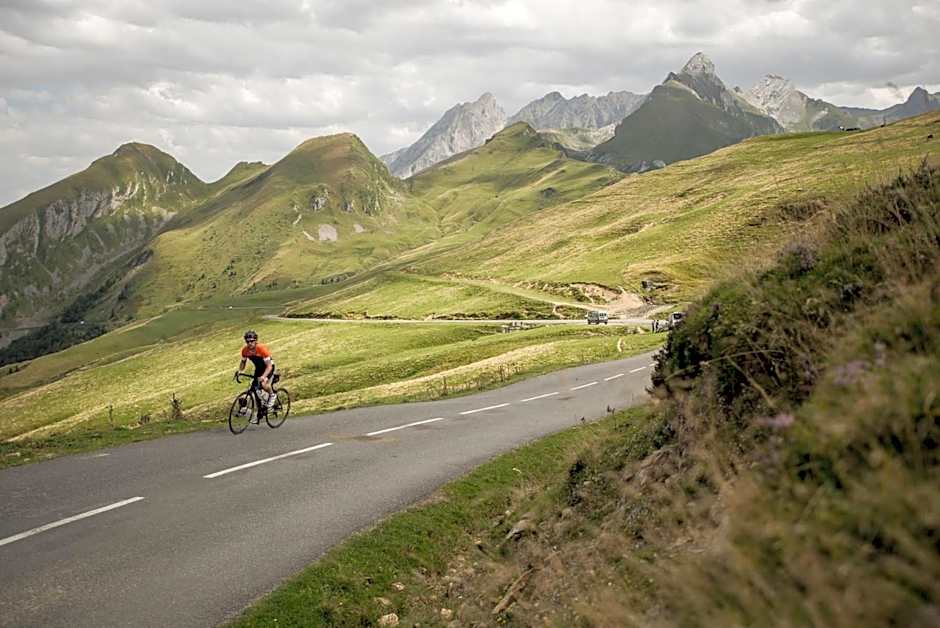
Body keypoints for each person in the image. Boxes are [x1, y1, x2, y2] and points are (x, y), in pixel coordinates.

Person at [237, 330, 277, 409]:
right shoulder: (245, 350)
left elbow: (269, 366)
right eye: (247, 341)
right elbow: (243, 362)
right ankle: (261, 408)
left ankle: (272, 395)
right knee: (254, 388)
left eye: (251, 341)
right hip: (258, 369)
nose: (249, 343)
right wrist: (240, 371)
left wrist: (264, 376)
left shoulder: (261, 349)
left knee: (263, 383)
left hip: (268, 367)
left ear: (255, 341)